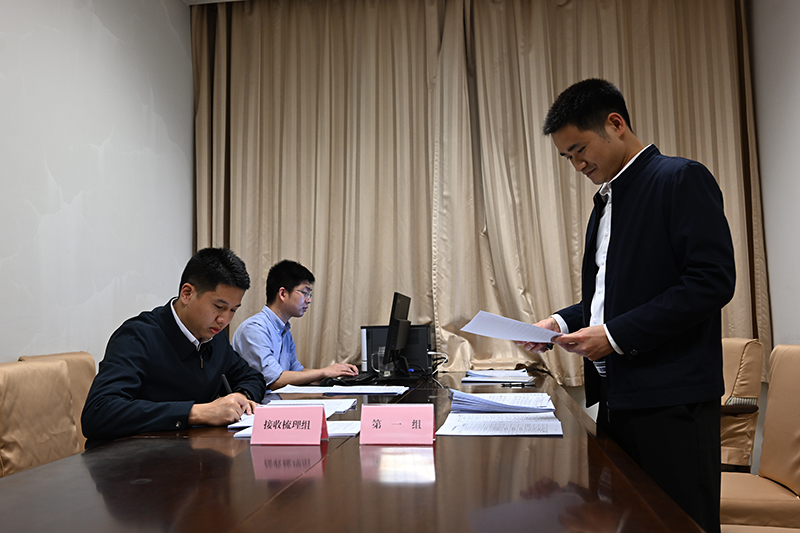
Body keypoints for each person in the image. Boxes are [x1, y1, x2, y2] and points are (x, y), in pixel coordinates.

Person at [521, 78, 735, 533]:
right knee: (627, 520)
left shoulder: (679, 178)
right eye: (567, 157)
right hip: (619, 395)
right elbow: (611, 296)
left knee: (678, 523)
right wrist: (559, 322)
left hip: (671, 402)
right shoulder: (607, 201)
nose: (577, 164)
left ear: (615, 124)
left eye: (580, 149)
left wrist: (615, 336)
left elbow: (711, 282)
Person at [81, 248, 267, 446]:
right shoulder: (138, 336)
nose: (224, 320)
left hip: (194, 453)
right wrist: (196, 412)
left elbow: (252, 377)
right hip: (135, 457)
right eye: (219, 307)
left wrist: (241, 397)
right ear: (187, 293)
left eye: (233, 310)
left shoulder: (214, 337)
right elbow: (98, 412)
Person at [232, 259, 359, 390]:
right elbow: (274, 380)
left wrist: (335, 374)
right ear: (283, 294)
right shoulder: (254, 329)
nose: (308, 300)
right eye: (305, 293)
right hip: (254, 402)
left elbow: (297, 373)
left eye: (309, 294)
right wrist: (324, 372)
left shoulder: (284, 331)